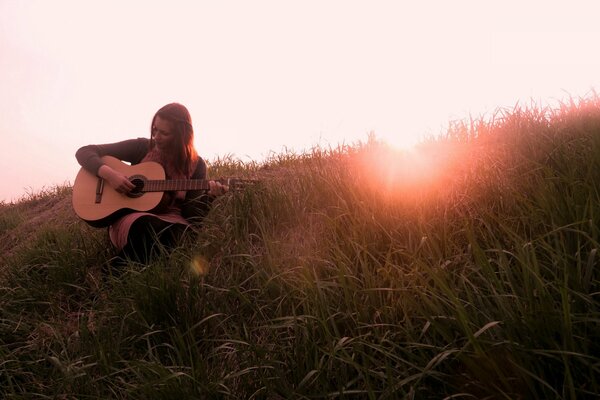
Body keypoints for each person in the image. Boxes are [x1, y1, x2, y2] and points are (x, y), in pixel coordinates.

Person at [76, 103, 227, 264]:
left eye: (164, 133)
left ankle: (120, 267)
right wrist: (110, 175)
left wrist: (210, 198)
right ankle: (121, 270)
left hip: (173, 220)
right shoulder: (142, 147)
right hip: (134, 217)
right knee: (148, 227)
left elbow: (192, 216)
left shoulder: (197, 165)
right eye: (155, 129)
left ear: (180, 135)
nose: (156, 136)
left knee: (185, 236)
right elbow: (85, 152)